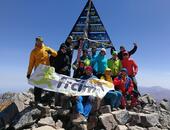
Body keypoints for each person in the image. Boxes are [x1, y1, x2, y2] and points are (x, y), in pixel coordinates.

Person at [27, 36, 57, 102]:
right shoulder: (33, 51)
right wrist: (29, 73)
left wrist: (50, 52)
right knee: (38, 85)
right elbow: (31, 63)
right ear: (36, 42)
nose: (40, 43)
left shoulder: (46, 48)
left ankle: (49, 100)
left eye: (41, 41)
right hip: (38, 70)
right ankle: (37, 100)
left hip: (47, 70)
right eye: (38, 41)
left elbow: (55, 54)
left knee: (49, 85)